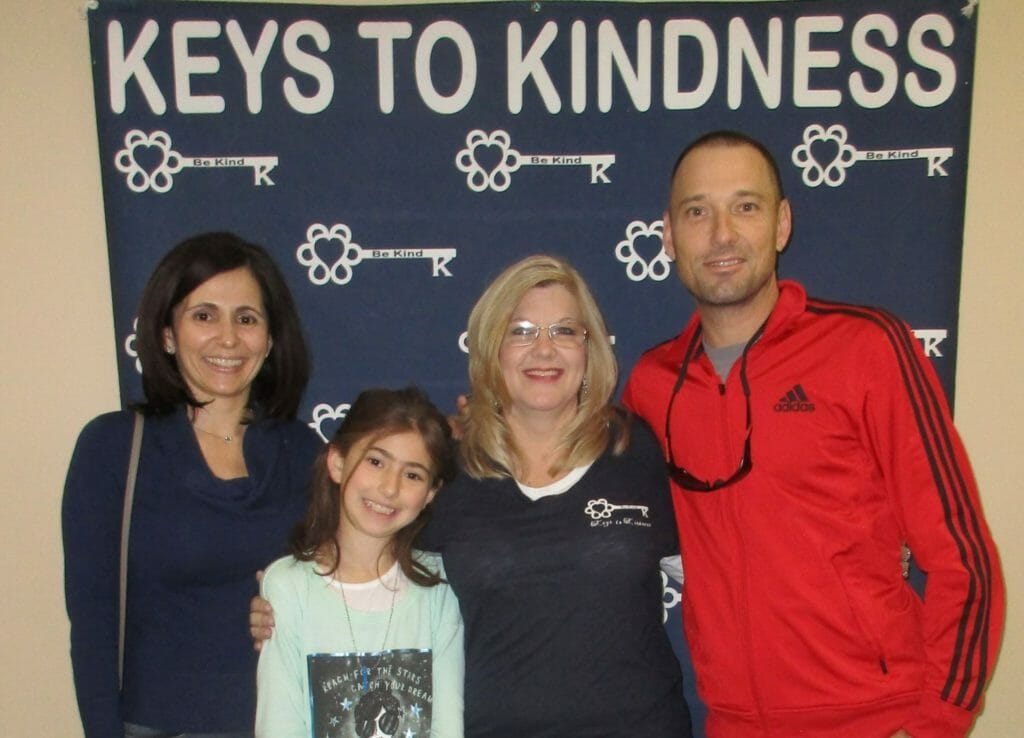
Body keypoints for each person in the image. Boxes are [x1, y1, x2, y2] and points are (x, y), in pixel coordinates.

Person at [622, 130, 1005, 738]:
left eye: (745, 207)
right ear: (668, 236)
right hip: (733, 723)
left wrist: (938, 721)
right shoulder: (651, 384)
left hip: (877, 717)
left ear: (781, 225)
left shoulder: (866, 346)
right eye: (698, 211)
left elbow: (963, 553)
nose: (722, 233)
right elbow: (575, 470)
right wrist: (486, 431)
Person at [251, 255, 692, 737]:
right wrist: (292, 600)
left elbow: (710, 576)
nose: (544, 350)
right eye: (521, 330)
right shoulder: (450, 467)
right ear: (490, 349)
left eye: (565, 331)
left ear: (590, 349)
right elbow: (375, 575)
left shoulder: (635, 451)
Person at [63, 232, 323, 738]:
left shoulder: (303, 451)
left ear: (269, 340)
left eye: (246, 318)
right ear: (165, 334)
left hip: (284, 720)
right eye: (204, 315)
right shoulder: (113, 449)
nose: (227, 338)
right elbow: (92, 625)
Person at [254, 386, 464, 738]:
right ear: (337, 463)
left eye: (412, 475)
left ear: (430, 494)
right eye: (376, 462)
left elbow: (447, 722)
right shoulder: (287, 584)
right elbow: (279, 723)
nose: (389, 488)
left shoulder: (440, 586)